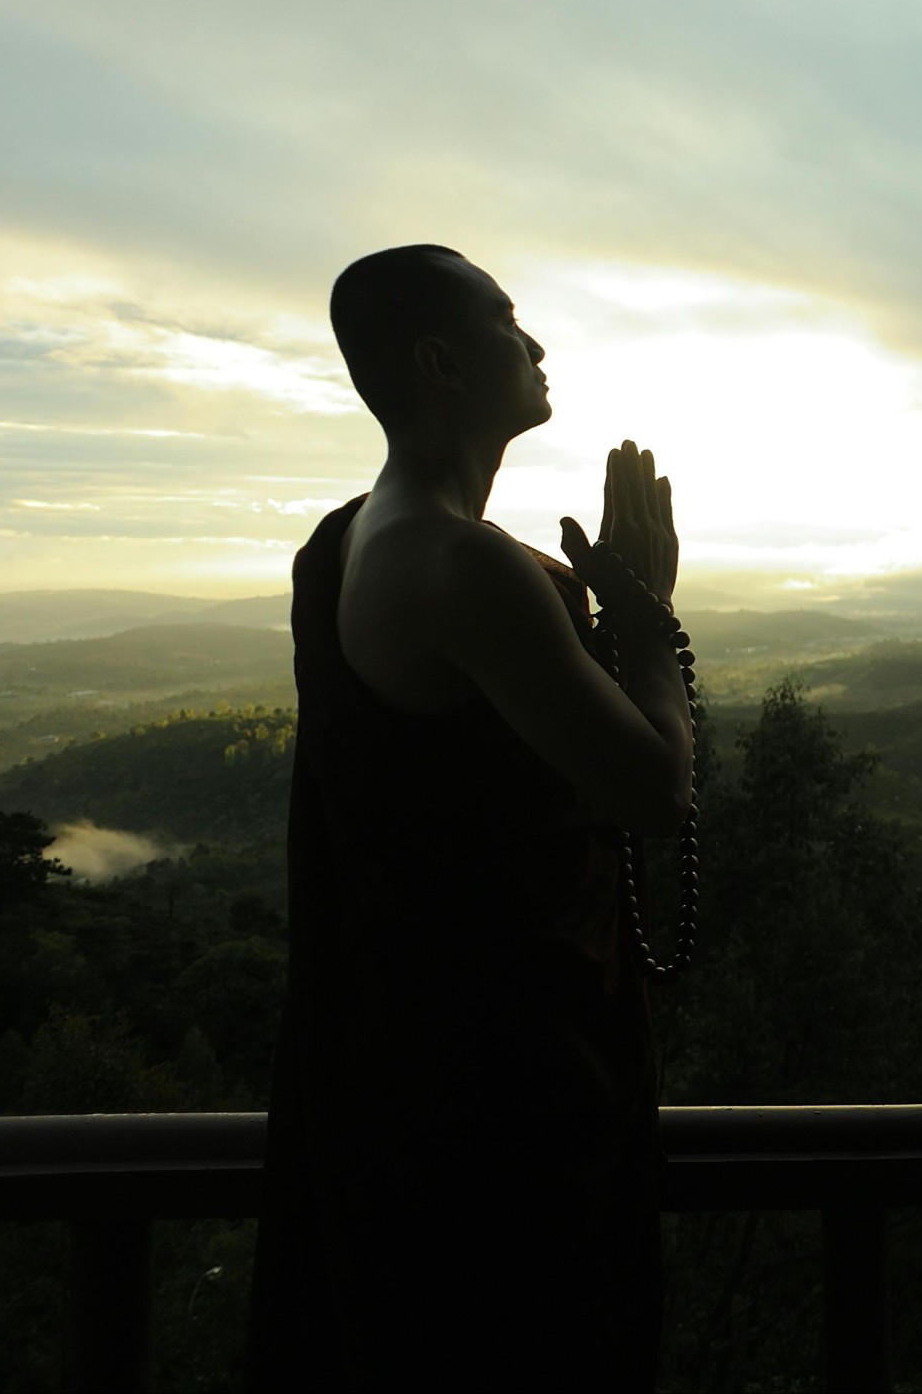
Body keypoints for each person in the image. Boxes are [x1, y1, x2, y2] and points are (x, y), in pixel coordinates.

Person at [246, 244, 693, 1390]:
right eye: (508, 321)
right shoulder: (461, 566)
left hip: (395, 1077)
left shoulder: (346, 542)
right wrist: (646, 620)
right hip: (502, 1108)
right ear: (441, 361)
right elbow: (649, 787)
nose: (535, 344)